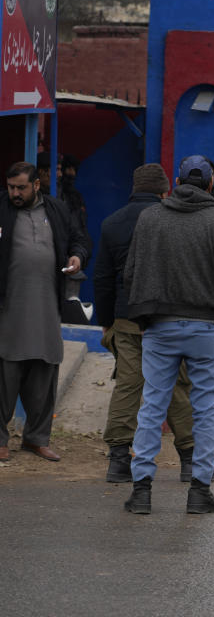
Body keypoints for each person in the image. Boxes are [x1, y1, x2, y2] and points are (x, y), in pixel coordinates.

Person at [122, 155, 214, 514]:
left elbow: (131, 272)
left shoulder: (150, 217)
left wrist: (143, 318)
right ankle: (199, 491)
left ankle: (141, 491)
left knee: (152, 407)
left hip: (160, 325)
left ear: (176, 181)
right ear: (209, 184)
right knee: (206, 410)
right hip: (206, 327)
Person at [94, 163, 214, 483]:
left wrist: (107, 322)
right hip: (167, 316)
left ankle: (118, 460)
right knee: (177, 386)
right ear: (165, 189)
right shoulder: (173, 217)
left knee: (129, 384)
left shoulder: (112, 223)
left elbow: (103, 278)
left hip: (126, 318)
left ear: (133, 188)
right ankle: (190, 459)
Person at [0, 162, 88, 462]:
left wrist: (77, 256)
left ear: (36, 185)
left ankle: (36, 438)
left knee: (44, 373)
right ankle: (0, 440)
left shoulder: (58, 209)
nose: (15, 193)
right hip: (8, 309)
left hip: (48, 307)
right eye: (11, 187)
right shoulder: (1, 208)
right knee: (5, 374)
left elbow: (79, 239)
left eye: (21, 187)